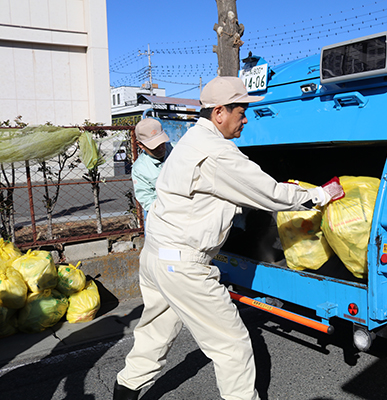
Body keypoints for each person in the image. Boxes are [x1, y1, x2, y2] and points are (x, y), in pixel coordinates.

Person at [113, 76, 344, 400]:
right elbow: (272, 194)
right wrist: (318, 195)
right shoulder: (217, 153)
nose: (246, 118)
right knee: (232, 345)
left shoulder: (190, 143)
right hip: (183, 264)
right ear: (220, 112)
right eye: (241, 111)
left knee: (153, 337)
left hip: (156, 255)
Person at [131, 118, 173, 217]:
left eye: (161, 142)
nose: (161, 148)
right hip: (167, 217)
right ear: (140, 145)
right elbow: (147, 200)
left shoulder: (179, 150)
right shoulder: (139, 169)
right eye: (154, 146)